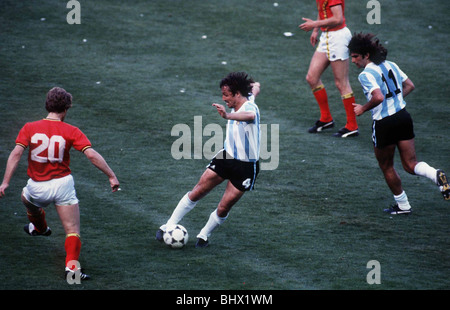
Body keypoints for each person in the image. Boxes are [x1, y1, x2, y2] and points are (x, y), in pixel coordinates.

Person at [0, 87, 120, 280]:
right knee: (72, 230)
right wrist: (111, 175)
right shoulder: (71, 130)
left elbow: (16, 154)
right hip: (63, 185)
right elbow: (91, 154)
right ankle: (72, 270)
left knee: (26, 198)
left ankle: (39, 228)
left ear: (48, 105)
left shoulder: (29, 127)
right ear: (65, 109)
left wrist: (5, 182)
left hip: (37, 187)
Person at [348, 33, 450, 214]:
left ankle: (403, 206)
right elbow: (410, 85)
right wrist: (394, 100)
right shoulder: (391, 65)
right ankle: (435, 174)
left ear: (366, 55)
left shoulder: (365, 75)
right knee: (411, 164)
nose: (353, 60)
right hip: (403, 116)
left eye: (355, 56)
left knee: (387, 166)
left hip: (384, 124)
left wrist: (363, 109)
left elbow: (378, 96)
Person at [156, 72, 260, 247]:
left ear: (236, 94)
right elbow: (255, 87)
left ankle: (204, 234)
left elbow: (250, 117)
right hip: (225, 157)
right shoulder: (247, 97)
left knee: (224, 207)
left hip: (246, 167)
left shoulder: (250, 108)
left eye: (226, 95)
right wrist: (254, 87)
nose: (223, 98)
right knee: (197, 191)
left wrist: (227, 116)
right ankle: (170, 225)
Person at [299, 0, 358, 138]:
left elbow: (338, 18)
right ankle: (326, 119)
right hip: (326, 36)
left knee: (341, 83)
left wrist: (314, 24)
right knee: (312, 78)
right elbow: (323, 12)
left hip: (338, 37)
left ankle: (352, 126)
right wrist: (315, 30)